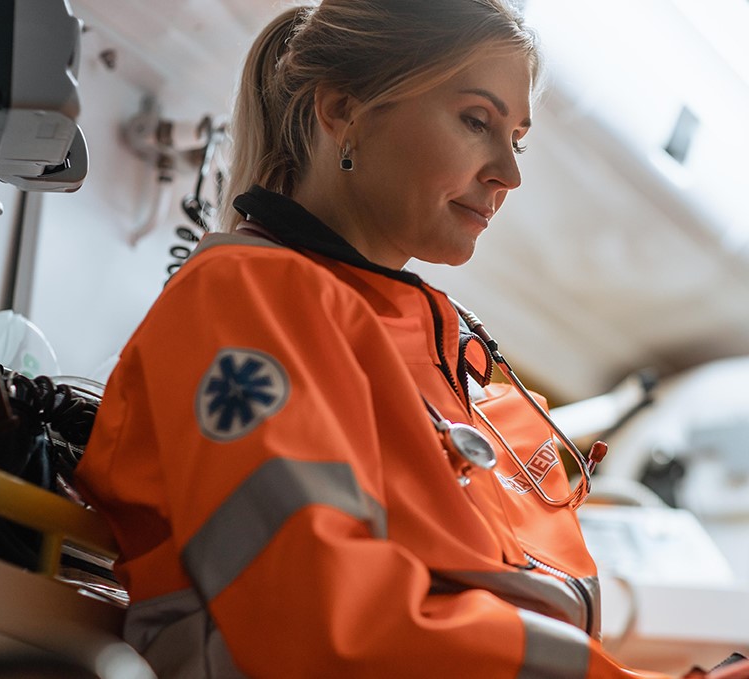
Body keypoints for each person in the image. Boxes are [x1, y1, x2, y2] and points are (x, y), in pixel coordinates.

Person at [74, 1, 748, 677]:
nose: (508, 175)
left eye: (516, 139)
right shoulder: (249, 297)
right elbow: (325, 624)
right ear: (341, 111)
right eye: (476, 121)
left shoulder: (442, 348)